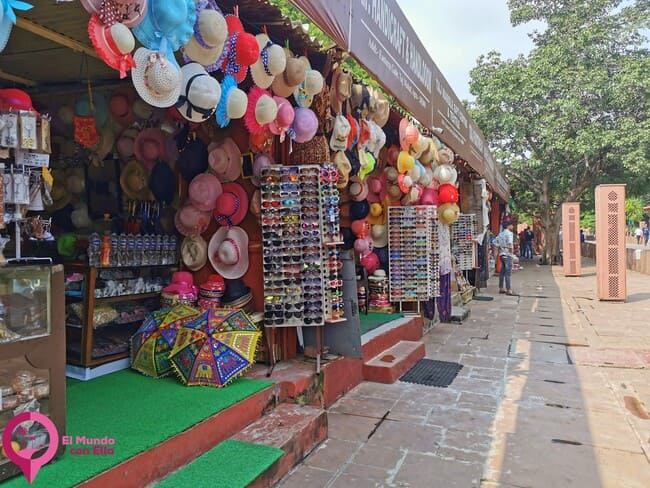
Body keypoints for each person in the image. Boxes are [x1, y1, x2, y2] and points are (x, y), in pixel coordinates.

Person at [496, 221, 516, 295]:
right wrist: (511, 253)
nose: (512, 227)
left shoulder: (500, 234)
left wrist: (500, 250)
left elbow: (495, 242)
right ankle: (509, 289)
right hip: (508, 255)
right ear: (508, 226)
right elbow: (510, 244)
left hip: (502, 255)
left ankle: (501, 288)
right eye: (512, 225)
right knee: (508, 273)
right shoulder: (509, 233)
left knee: (502, 272)